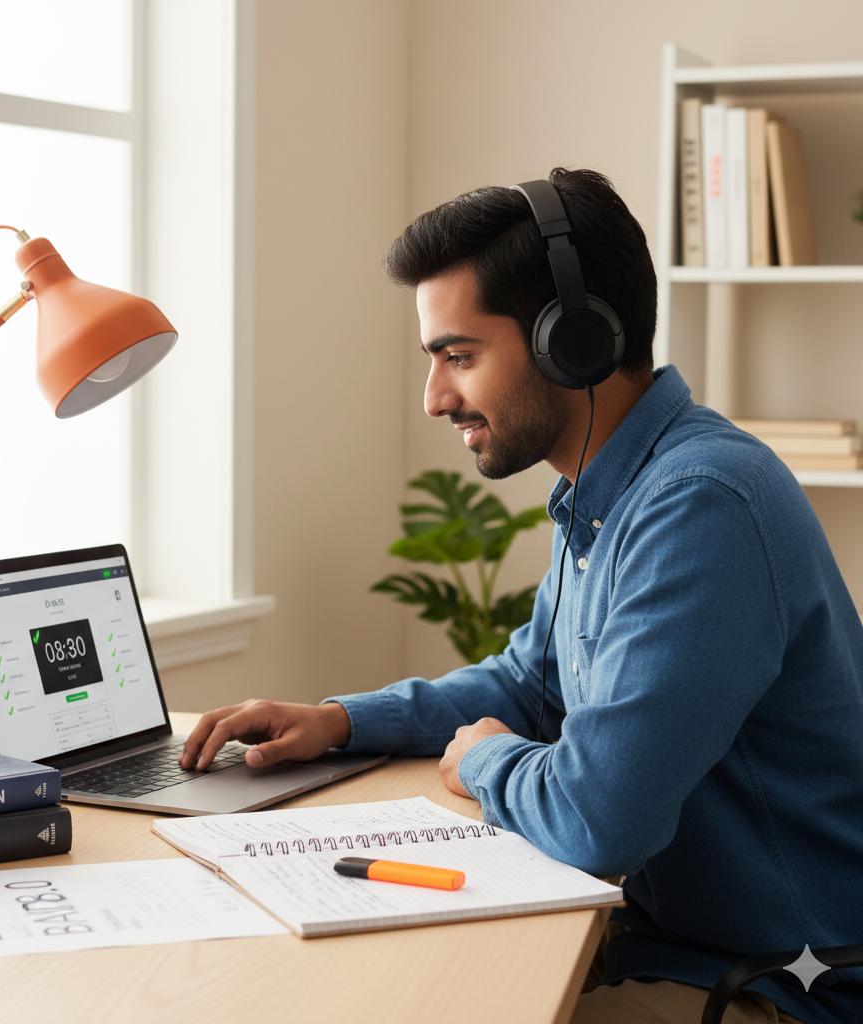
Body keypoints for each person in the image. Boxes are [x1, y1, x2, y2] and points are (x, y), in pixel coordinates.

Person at [179, 169, 863, 1024]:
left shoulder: (700, 505)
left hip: (777, 987)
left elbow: (596, 817)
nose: (435, 399)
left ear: (573, 341)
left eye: (458, 357)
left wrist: (484, 760)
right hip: (673, 945)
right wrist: (342, 721)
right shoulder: (610, 491)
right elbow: (530, 684)